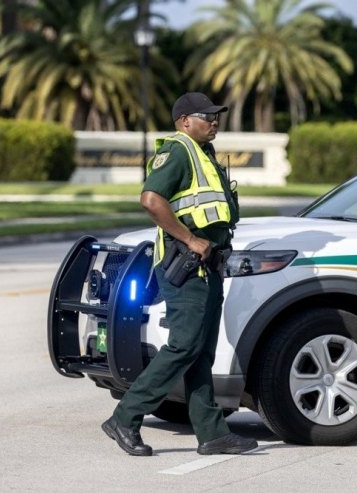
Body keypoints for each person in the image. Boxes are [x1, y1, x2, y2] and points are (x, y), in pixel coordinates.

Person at [101, 92, 258, 457]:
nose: (215, 121)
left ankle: (212, 433)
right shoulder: (178, 150)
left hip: (209, 268)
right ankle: (125, 417)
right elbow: (151, 199)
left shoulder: (204, 155)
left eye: (217, 115)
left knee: (200, 351)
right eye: (207, 115)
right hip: (187, 268)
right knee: (184, 346)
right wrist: (189, 239)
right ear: (185, 120)